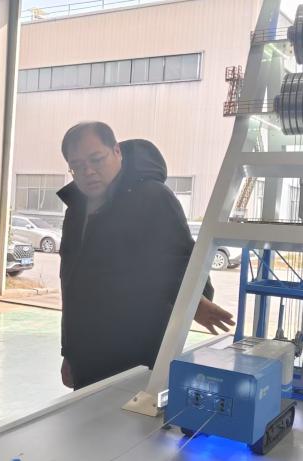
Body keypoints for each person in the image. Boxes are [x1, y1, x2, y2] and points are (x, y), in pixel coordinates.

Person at [57, 122, 235, 390]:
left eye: (96, 159)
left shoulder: (153, 198)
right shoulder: (76, 210)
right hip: (86, 354)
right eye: (77, 166)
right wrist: (69, 352)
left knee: (132, 415)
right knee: (87, 416)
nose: (88, 171)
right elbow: (71, 285)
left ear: (117, 151)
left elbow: (180, 261)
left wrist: (194, 301)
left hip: (137, 354)